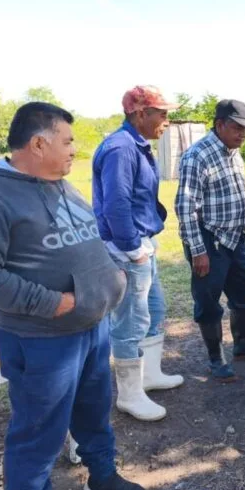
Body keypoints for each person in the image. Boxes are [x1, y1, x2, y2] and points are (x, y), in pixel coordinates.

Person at [0, 102, 148, 490]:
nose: (75, 149)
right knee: (39, 431)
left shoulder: (61, 183)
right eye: (68, 140)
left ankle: (102, 477)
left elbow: (87, 239)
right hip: (41, 339)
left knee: (94, 413)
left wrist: (113, 277)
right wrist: (54, 303)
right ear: (39, 144)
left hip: (92, 328)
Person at [92, 85, 184, 422]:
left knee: (154, 308)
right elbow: (116, 205)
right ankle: (129, 395)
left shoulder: (135, 144)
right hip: (127, 248)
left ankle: (149, 375)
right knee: (131, 320)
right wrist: (133, 249)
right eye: (162, 113)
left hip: (142, 243)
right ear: (140, 113)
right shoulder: (121, 148)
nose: (167, 120)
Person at [175, 99, 245, 383]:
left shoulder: (234, 153)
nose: (243, 134)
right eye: (237, 128)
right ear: (219, 125)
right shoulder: (197, 156)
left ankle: (243, 345)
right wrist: (198, 250)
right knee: (208, 300)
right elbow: (185, 207)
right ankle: (216, 360)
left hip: (236, 237)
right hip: (208, 239)